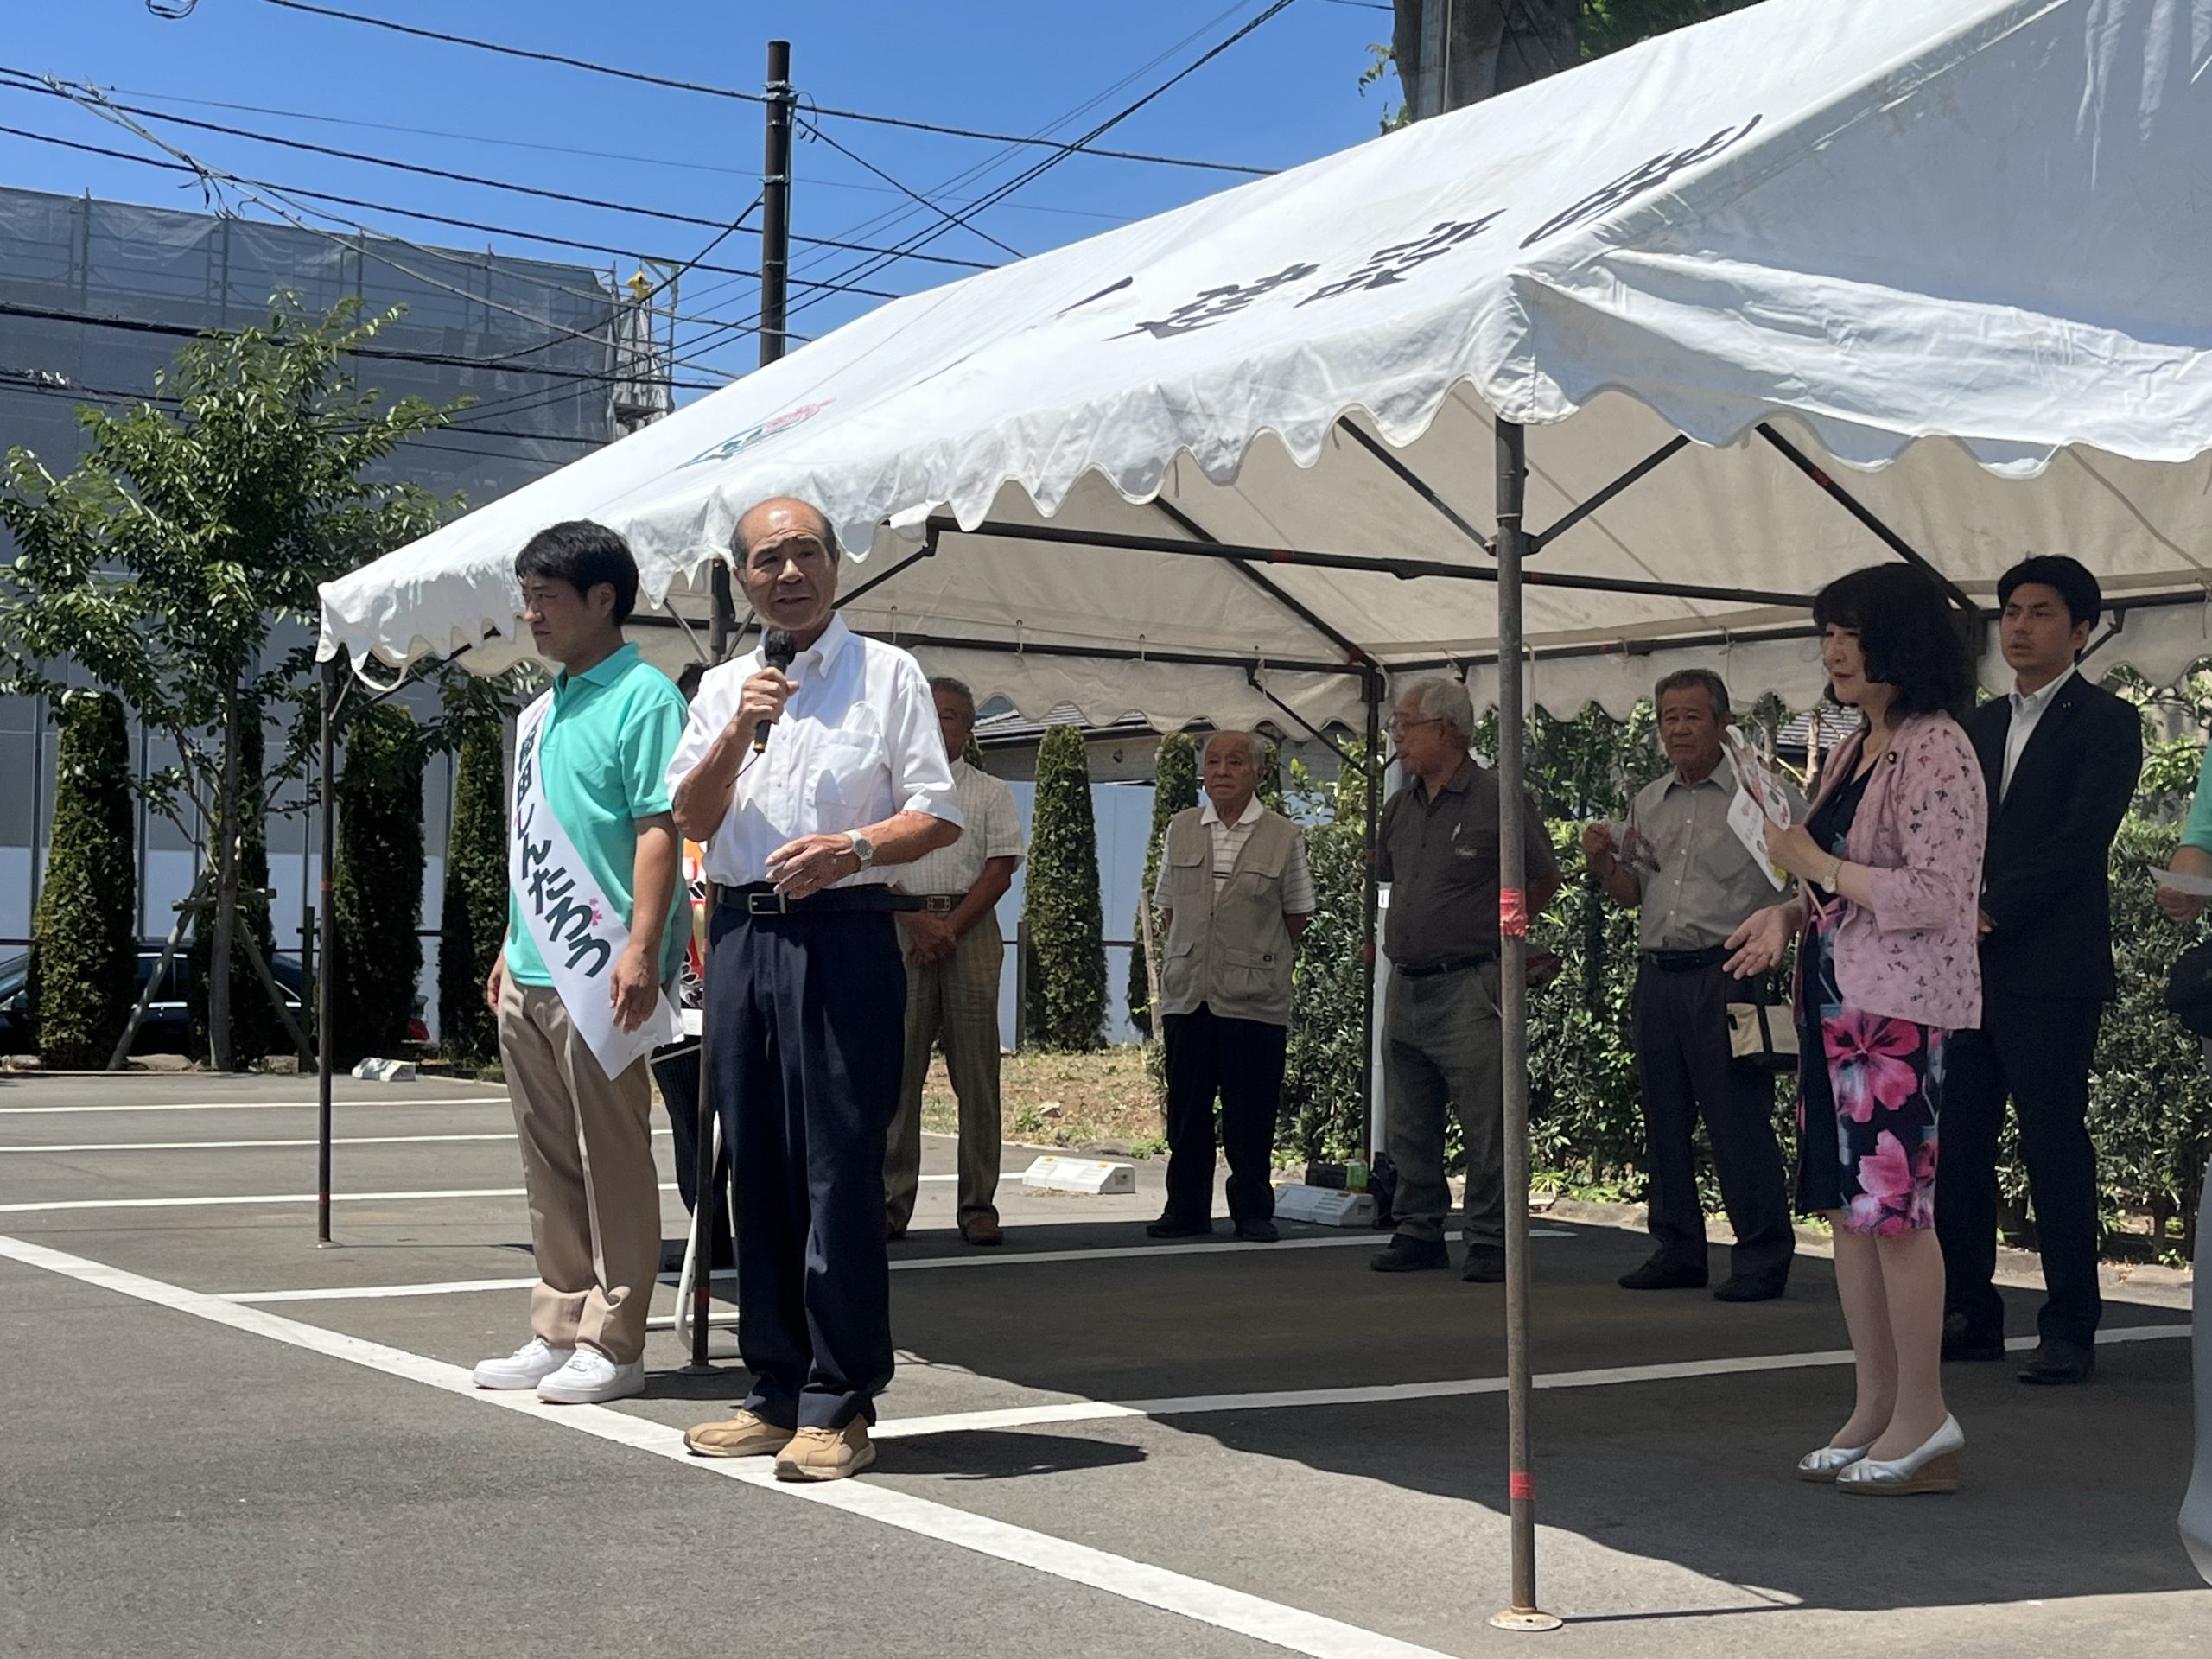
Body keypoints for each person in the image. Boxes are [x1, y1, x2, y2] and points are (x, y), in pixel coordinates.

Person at [669, 496, 962, 1483]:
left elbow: (937, 814)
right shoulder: (722, 689)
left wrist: (854, 849)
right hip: (747, 936)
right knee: (755, 1168)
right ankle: (773, 1389)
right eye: (766, 561)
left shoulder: (887, 677)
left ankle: (841, 1401)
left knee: (837, 1170)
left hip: (842, 934)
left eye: (804, 554)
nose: (786, 573)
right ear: (742, 578)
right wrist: (734, 733)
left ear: (836, 564)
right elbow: (691, 814)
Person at [1726, 563, 1985, 1496]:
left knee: (1896, 1214)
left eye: (1849, 631)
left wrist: (1815, 868)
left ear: (1900, 640)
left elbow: (1935, 894)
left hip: (1897, 1012)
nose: (1832, 650)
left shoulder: (1937, 746)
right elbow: (1829, 878)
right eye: (1825, 631)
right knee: (1849, 1213)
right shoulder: (1854, 746)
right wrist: (1786, 912)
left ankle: (1923, 1411)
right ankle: (1877, 1404)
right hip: (1838, 1002)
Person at [472, 521, 688, 1407]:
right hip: (532, 964)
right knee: (546, 1157)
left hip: (601, 966)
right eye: (525, 598)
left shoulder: (646, 699)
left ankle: (618, 1338)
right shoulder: (541, 709)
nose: (530, 615)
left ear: (604, 599)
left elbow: (659, 828)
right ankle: (558, 1324)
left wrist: (640, 946)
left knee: (612, 1158)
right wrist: (505, 941)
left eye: (545, 598)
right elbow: (533, 843)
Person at [1938, 556, 2139, 1386]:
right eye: (2011, 612)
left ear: (2081, 629)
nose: (2020, 626)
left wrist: (1995, 906)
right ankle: (1969, 1313)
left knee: (2053, 1142)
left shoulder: (2107, 721)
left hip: (2050, 967)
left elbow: (2081, 838)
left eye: (2042, 612)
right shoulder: (1974, 725)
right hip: (1965, 966)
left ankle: (2070, 1325)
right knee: (1959, 1143)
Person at [1586, 669, 1800, 1303]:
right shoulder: (1649, 800)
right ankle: (1677, 1246)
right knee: (1664, 1115)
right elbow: (1634, 894)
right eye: (1667, 718)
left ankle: (1762, 1255)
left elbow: (1805, 880)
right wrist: (1602, 864)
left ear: (1721, 722)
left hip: (1729, 971)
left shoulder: (1759, 798)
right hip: (1659, 973)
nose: (1678, 729)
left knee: (1737, 1118)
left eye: (1691, 716)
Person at [1371, 677, 1561, 1283]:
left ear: (1446, 730)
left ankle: (1490, 1237)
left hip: (1473, 982)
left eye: (1407, 725)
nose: (1397, 737)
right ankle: (1418, 1227)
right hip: (1406, 982)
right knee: (1408, 1117)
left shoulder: (1497, 799)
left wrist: (1503, 937)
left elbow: (1541, 878)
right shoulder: (1399, 805)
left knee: (1489, 1122)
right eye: (1395, 726)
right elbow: (1386, 882)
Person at [1147, 730, 1317, 1244]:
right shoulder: (1181, 828)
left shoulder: (1283, 835)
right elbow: (1169, 904)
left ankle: (1252, 1212)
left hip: (1254, 997)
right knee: (1188, 1109)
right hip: (1188, 991)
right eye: (1213, 761)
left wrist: (1248, 953)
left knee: (1251, 1111)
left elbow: (1297, 913)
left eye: (1235, 762)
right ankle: (1186, 1210)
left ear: (1258, 773)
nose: (1221, 771)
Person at [883, 676, 1024, 1248]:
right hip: (899, 926)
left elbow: (1000, 868)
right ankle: (891, 1203)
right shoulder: (889, 792)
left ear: (968, 729)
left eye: (951, 717)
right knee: (897, 1075)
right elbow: (871, 865)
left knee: (977, 1075)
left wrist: (949, 926)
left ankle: (978, 1204)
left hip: (970, 929)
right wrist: (914, 920)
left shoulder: (990, 792)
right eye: (931, 714)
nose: (940, 725)